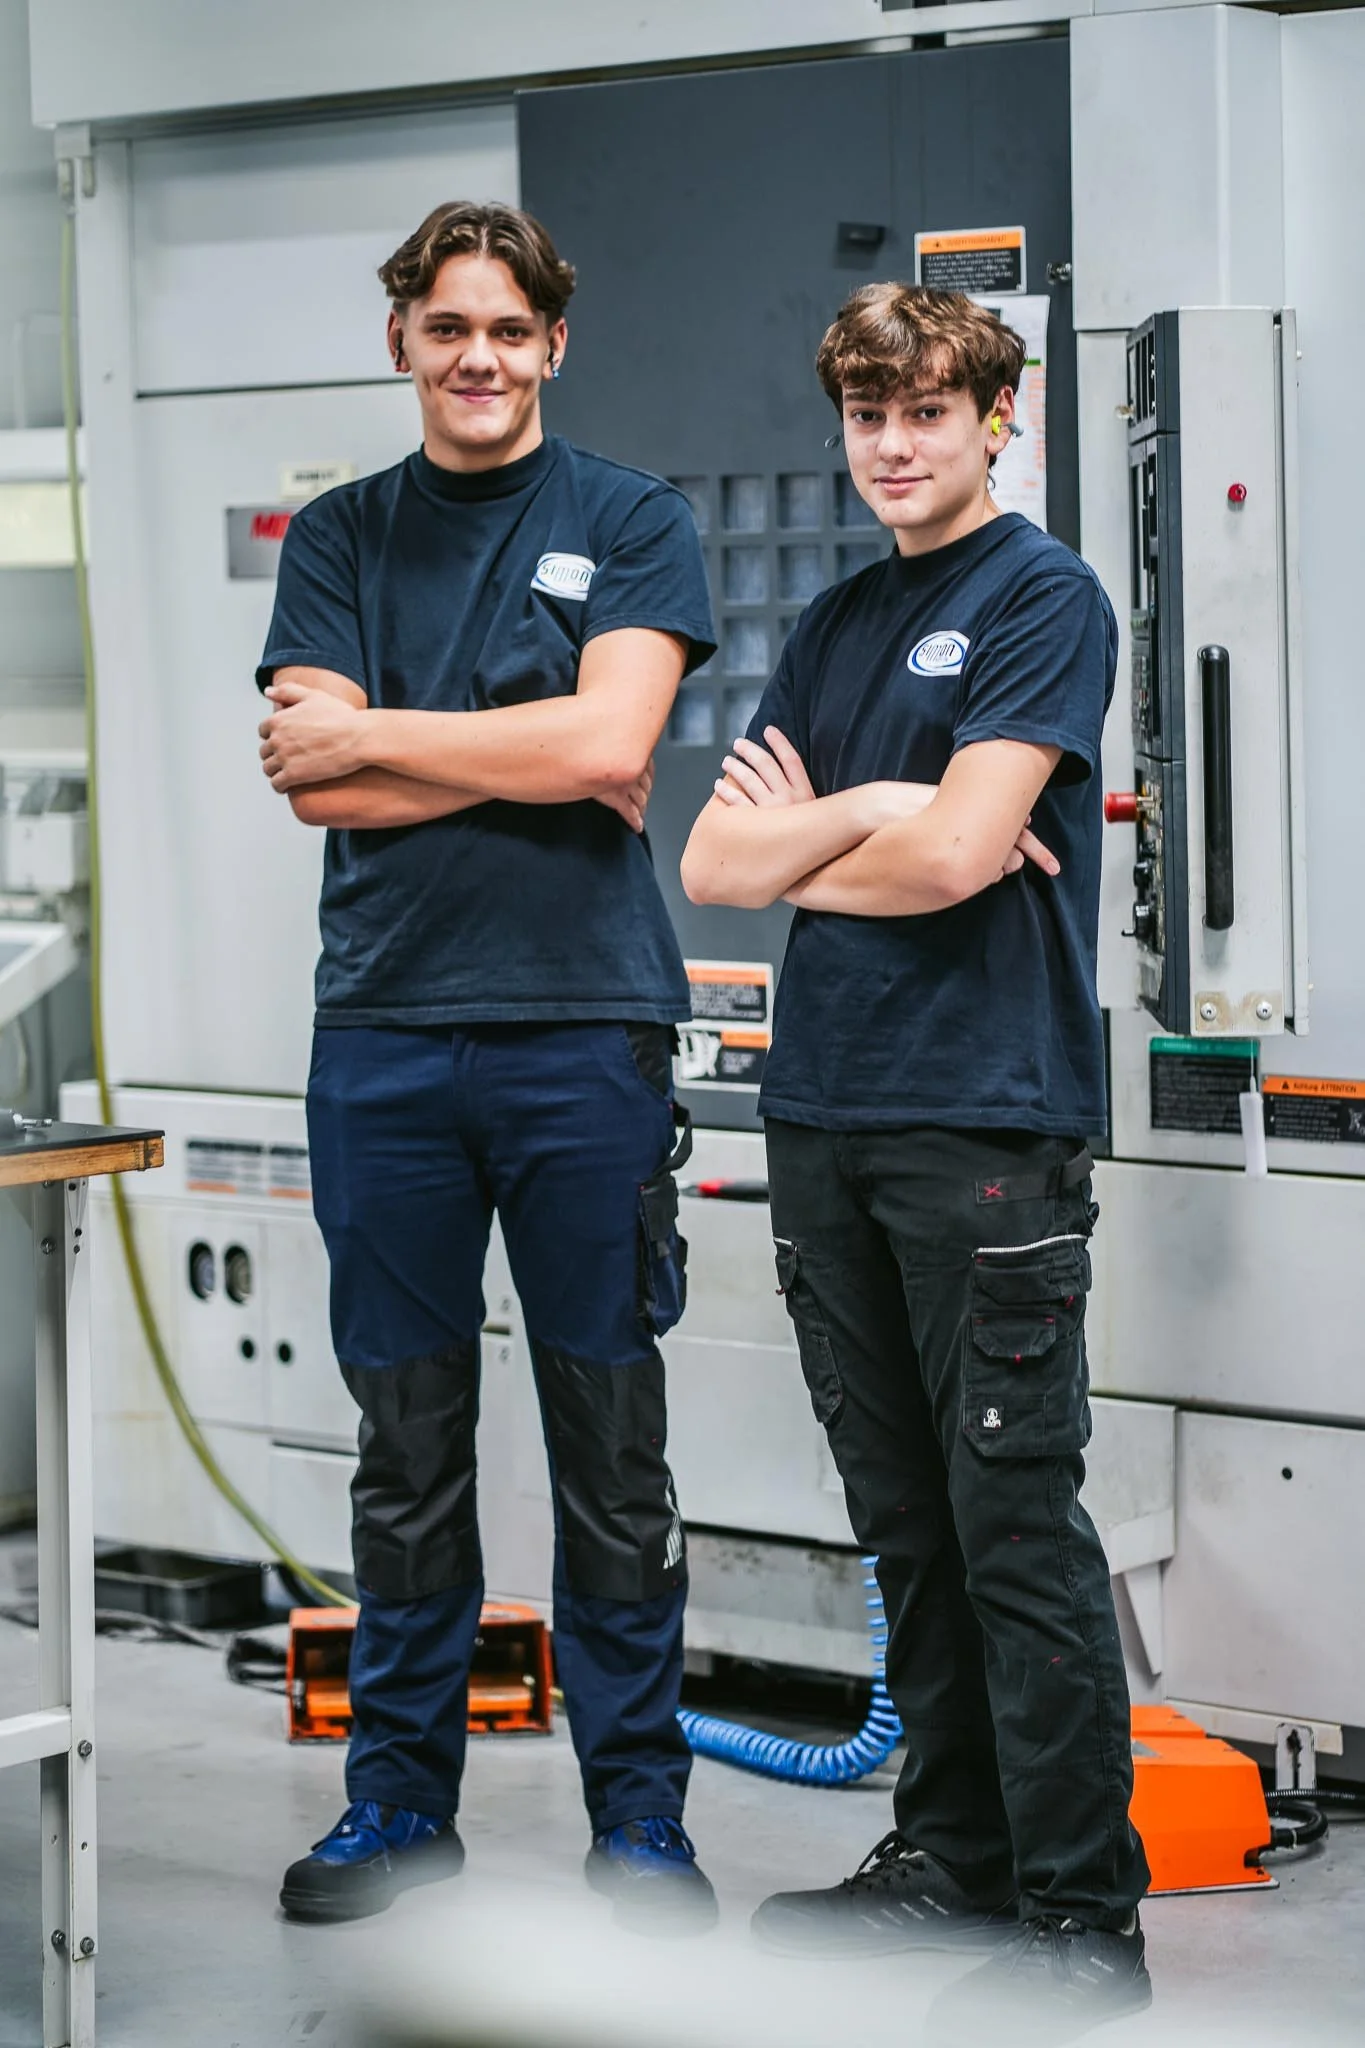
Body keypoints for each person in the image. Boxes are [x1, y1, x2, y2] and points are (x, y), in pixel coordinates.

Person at [681, 284, 1151, 2036]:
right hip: (826, 1119)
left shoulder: (1043, 598)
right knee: (907, 1525)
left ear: (991, 421)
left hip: (983, 1125)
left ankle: (1082, 1919)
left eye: (928, 412)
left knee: (1010, 1520)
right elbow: (714, 870)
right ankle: (954, 1856)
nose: (893, 444)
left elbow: (965, 861)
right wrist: (888, 809)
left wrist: (867, 835)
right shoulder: (836, 621)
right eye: (870, 414)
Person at [255, 201, 717, 1932]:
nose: (478, 357)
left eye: (509, 329)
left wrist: (388, 732)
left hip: (585, 1031)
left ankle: (641, 1819)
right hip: (383, 1036)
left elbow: (613, 741)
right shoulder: (340, 536)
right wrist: (534, 750)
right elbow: (312, 782)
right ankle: (397, 1804)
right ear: (402, 342)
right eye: (447, 327)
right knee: (406, 1442)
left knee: (612, 1441)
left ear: (554, 345)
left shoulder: (631, 517)